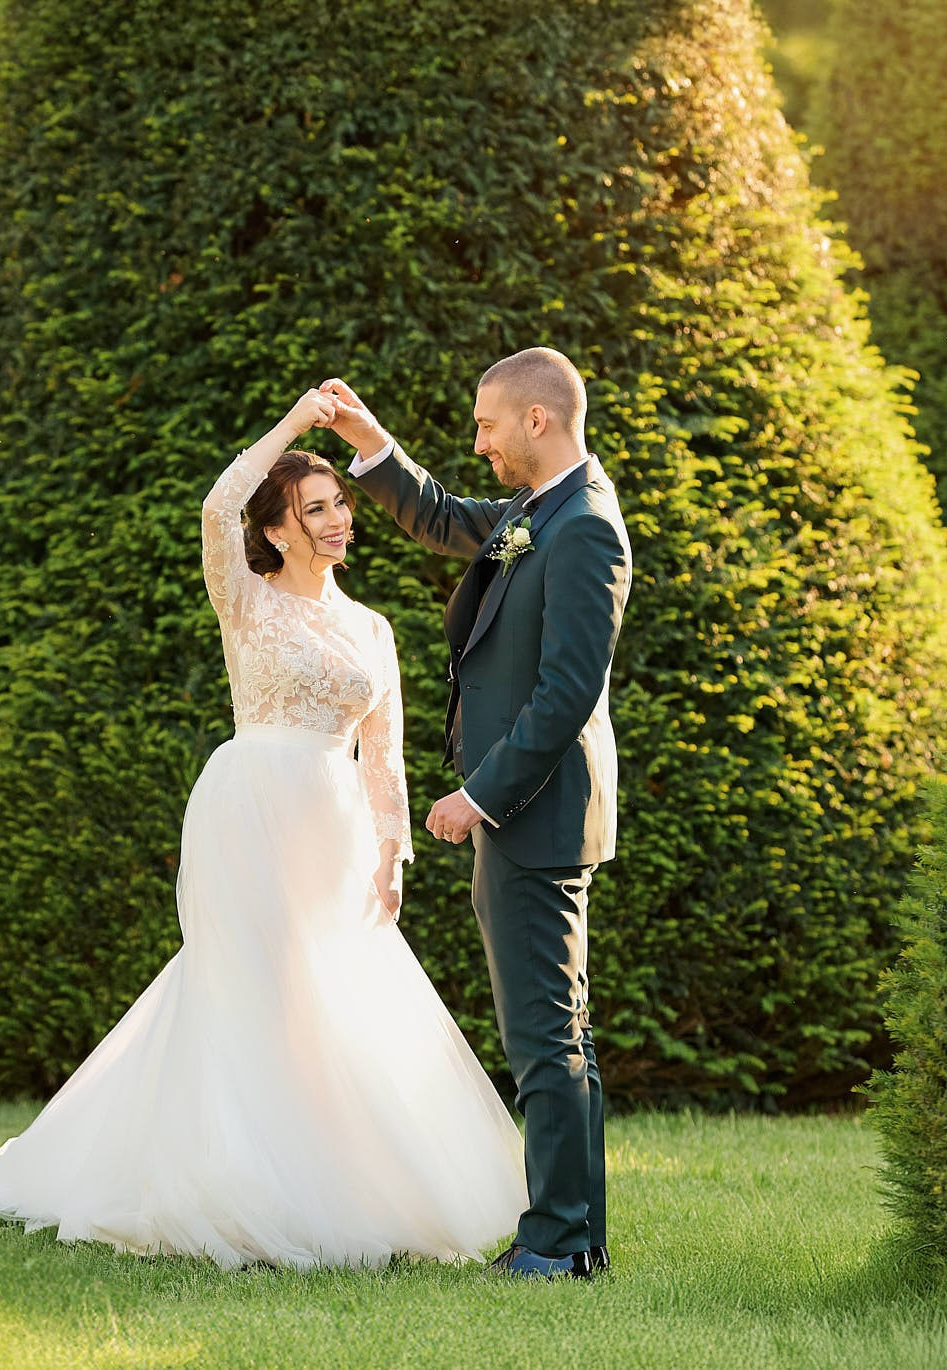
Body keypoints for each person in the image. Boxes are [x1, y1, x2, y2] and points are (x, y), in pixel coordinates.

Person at [0, 388, 524, 1270]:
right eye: (316, 509)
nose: (339, 521)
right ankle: (234, 1177)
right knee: (250, 983)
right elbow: (222, 500)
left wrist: (392, 851)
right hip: (250, 802)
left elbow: (386, 753)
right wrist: (300, 423)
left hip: (334, 822)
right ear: (277, 530)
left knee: (329, 991)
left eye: (340, 503)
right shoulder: (247, 602)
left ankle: (337, 1178)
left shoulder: (373, 629)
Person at [321, 348, 631, 1280]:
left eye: (488, 425)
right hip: (530, 815)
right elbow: (447, 519)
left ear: (537, 421)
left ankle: (558, 1245)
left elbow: (568, 691)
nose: (479, 441)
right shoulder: (541, 513)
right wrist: (367, 442)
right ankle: (576, 1240)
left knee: (545, 1037)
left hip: (535, 812)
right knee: (555, 1031)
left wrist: (479, 793)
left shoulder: (583, 527)